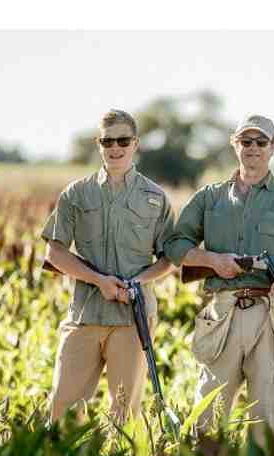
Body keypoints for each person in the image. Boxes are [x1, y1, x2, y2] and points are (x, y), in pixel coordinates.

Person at [165, 114, 274, 446]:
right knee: (208, 416)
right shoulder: (209, 198)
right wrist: (213, 261)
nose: (253, 148)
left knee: (267, 417)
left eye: (261, 142)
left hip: (271, 314)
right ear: (235, 145)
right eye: (246, 141)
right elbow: (175, 246)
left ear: (273, 147)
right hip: (223, 313)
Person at [41, 109, 175, 425]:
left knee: (124, 415)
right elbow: (55, 252)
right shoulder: (76, 193)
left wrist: (136, 283)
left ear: (135, 143)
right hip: (85, 314)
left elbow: (169, 259)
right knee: (62, 411)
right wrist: (99, 280)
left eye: (123, 141)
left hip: (133, 319)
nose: (115, 148)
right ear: (98, 144)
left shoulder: (156, 197)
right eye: (107, 141)